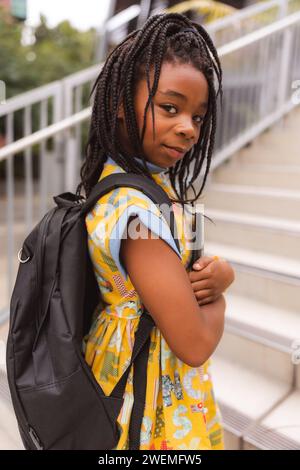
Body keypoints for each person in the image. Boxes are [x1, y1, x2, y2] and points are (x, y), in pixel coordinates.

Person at [77, 12, 235, 450]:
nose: (188, 127)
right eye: (170, 107)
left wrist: (214, 270)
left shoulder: (131, 187)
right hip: (150, 410)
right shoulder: (137, 216)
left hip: (136, 379)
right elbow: (195, 342)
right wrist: (220, 293)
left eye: (198, 117)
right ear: (120, 105)